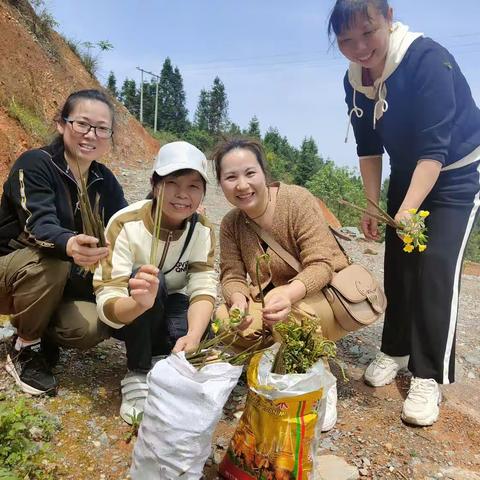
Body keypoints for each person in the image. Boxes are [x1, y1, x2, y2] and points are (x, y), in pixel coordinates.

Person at [328, 0, 480, 426]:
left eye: (368, 32)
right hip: (409, 172)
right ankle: (395, 349)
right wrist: (377, 206)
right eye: (346, 40)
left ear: (389, 19)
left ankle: (428, 373)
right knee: (398, 263)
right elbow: (369, 148)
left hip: (455, 174)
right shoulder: (355, 81)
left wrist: (406, 213)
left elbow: (435, 151)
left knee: (435, 268)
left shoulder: (428, 61)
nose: (359, 47)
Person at [212, 138, 350, 432]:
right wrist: (238, 301)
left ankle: (321, 378)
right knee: (224, 320)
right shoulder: (231, 224)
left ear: (264, 173)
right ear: (221, 183)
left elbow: (322, 265)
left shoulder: (296, 200)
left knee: (293, 315)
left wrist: (288, 292)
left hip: (320, 295)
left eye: (250, 173)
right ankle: (275, 354)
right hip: (276, 302)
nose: (242, 185)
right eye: (231, 177)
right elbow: (232, 275)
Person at [0, 89, 127, 397]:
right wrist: (69, 244)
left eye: (101, 128)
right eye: (82, 124)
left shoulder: (103, 179)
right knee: (52, 261)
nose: (91, 135)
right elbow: (38, 224)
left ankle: (43, 335)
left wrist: (170, 210)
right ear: (61, 124)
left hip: (56, 280)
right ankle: (25, 349)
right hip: (13, 274)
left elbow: (125, 223)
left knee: (92, 325)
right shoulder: (35, 164)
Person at [93, 141, 217, 424]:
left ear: (203, 192)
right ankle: (137, 371)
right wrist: (137, 304)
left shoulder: (203, 230)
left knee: (196, 327)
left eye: (193, 186)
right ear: (154, 183)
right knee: (150, 278)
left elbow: (203, 287)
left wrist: (194, 336)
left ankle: (162, 362)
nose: (182, 195)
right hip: (127, 315)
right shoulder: (125, 223)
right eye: (172, 182)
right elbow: (107, 296)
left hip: (168, 302)